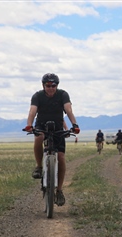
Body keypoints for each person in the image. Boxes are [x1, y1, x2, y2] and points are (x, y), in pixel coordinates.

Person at [25, 73, 80, 206]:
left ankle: (59, 190)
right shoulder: (37, 96)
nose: (51, 88)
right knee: (39, 137)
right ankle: (39, 166)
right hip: (41, 125)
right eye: (48, 85)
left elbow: (68, 109)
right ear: (43, 86)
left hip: (58, 127)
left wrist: (75, 125)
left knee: (61, 157)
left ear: (57, 86)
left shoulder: (63, 95)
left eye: (53, 85)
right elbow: (32, 111)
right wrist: (29, 125)